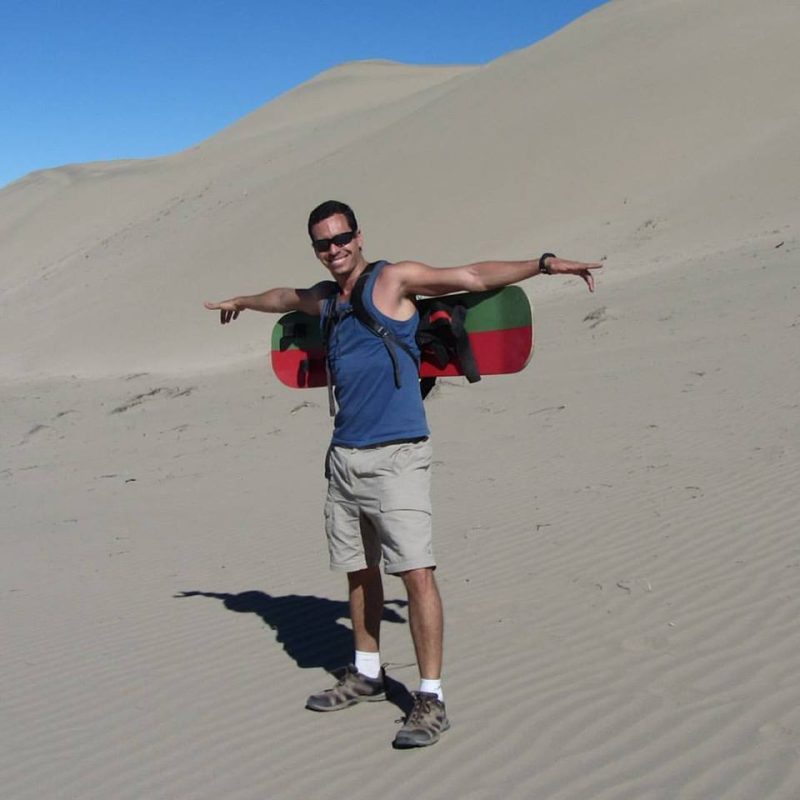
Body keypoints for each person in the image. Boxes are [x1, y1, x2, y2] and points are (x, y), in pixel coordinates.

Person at [205, 199, 602, 748]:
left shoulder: (392, 280)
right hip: (344, 457)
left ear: (358, 236)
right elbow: (283, 299)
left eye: (341, 238)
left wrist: (543, 263)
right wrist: (243, 302)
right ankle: (367, 672)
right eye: (323, 243)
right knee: (358, 570)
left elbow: (470, 276)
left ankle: (431, 699)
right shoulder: (326, 299)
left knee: (416, 574)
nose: (334, 249)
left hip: (398, 456)